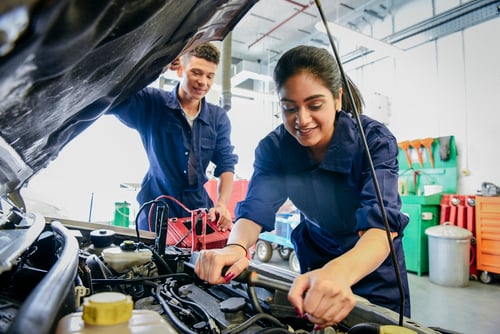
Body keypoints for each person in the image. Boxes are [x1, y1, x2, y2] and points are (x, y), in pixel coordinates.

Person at [194, 45, 410, 329]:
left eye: (315, 105)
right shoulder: (274, 148)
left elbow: (381, 227)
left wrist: (339, 273)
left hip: (373, 271)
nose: (302, 120)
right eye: (289, 108)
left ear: (337, 98)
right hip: (315, 263)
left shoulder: (374, 141)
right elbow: (256, 208)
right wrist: (234, 247)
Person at [109, 42, 238, 232]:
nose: (204, 82)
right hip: (156, 213)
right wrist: (158, 67)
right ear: (180, 70)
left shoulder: (218, 118)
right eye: (196, 72)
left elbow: (226, 164)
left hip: (198, 214)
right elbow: (114, 96)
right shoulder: (152, 104)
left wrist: (221, 203)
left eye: (210, 76)